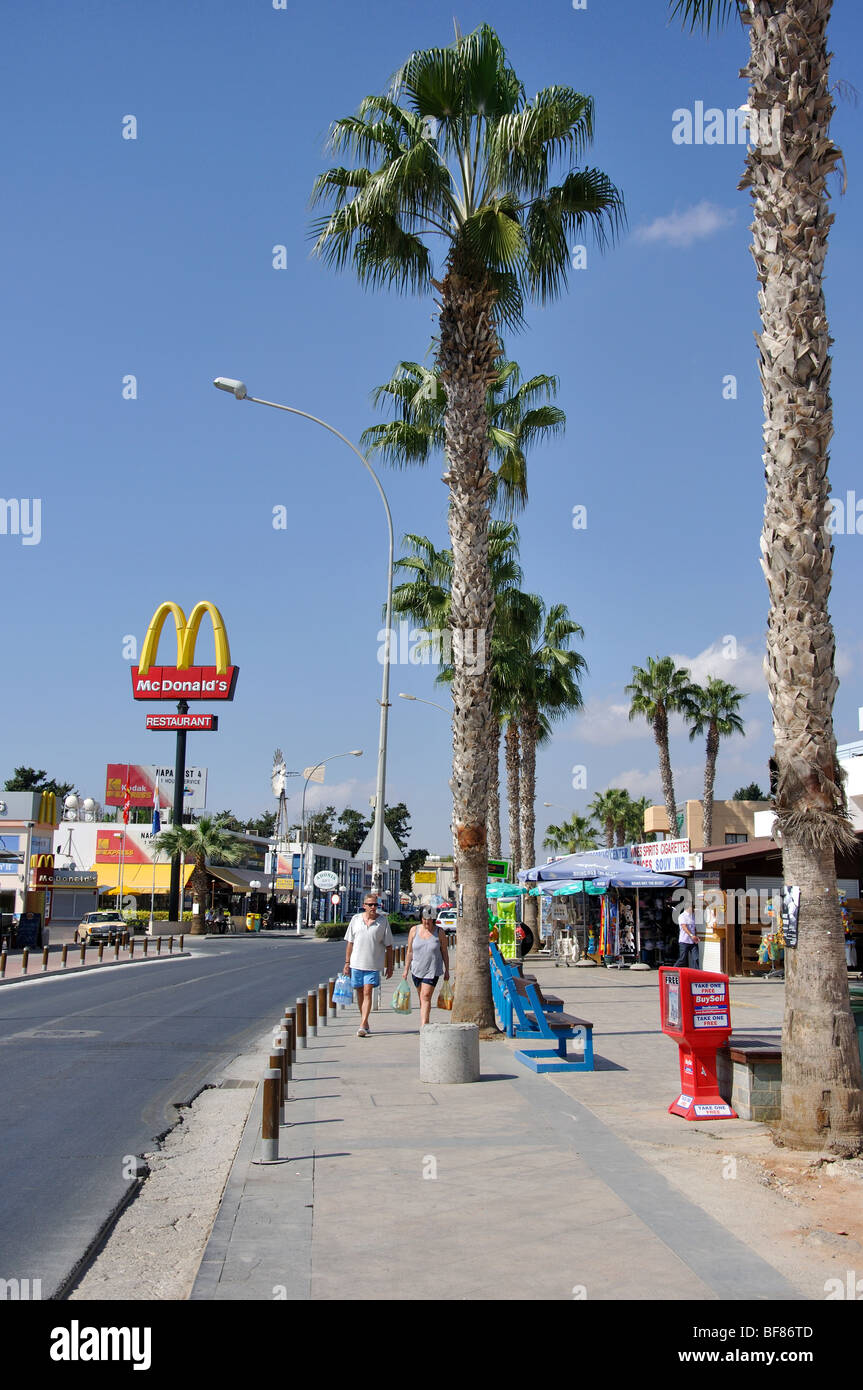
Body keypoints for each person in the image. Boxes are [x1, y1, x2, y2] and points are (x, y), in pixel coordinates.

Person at [344, 894, 394, 1037]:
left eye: (375, 905)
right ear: (364, 905)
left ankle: (362, 1024)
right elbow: (350, 943)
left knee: (367, 991)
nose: (373, 908)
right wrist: (347, 963)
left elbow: (389, 946)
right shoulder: (355, 920)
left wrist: (389, 966)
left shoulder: (382, 922)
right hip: (356, 963)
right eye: (370, 905)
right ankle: (365, 1022)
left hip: (373, 965)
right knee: (359, 992)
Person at [403, 907, 450, 1026]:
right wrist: (405, 970)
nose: (426, 922)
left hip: (432, 970)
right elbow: (409, 951)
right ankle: (425, 1019)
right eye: (424, 919)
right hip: (416, 970)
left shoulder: (439, 932)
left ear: (433, 920)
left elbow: (444, 951)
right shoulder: (414, 930)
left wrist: (447, 970)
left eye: (429, 920)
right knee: (422, 997)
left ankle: (424, 1025)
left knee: (426, 995)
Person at [675, 903, 700, 968]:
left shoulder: (693, 916)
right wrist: (692, 935)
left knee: (696, 958)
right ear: (688, 908)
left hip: (693, 941)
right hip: (684, 941)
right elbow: (684, 927)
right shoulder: (682, 916)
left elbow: (694, 928)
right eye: (692, 907)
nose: (693, 909)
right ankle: (673, 969)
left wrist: (696, 936)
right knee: (682, 959)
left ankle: (696, 974)